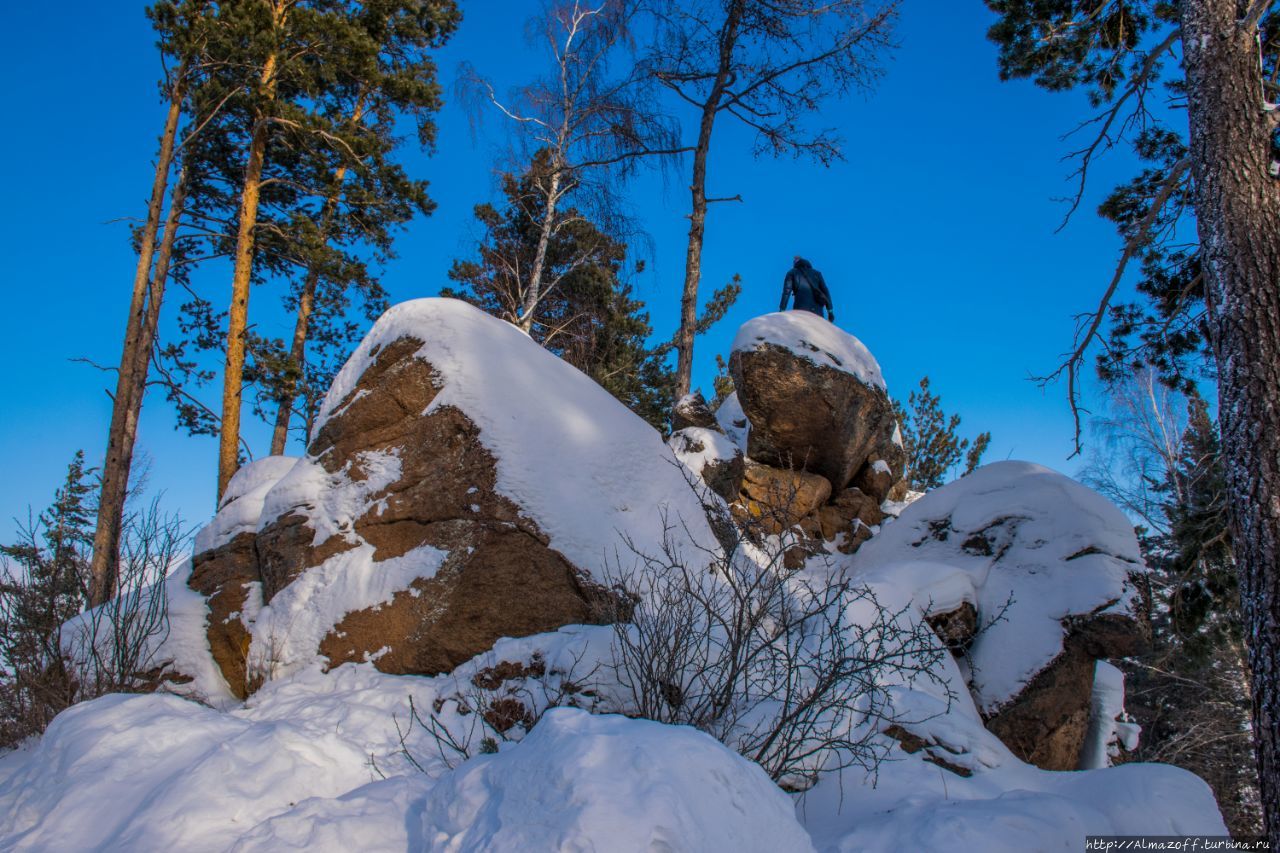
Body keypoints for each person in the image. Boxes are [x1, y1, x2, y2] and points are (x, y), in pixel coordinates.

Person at [779, 256, 835, 321]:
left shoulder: (792, 273)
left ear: (795, 264)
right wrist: (830, 311)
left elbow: (786, 292)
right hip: (818, 313)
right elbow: (825, 292)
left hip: (800, 310)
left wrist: (782, 310)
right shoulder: (817, 273)